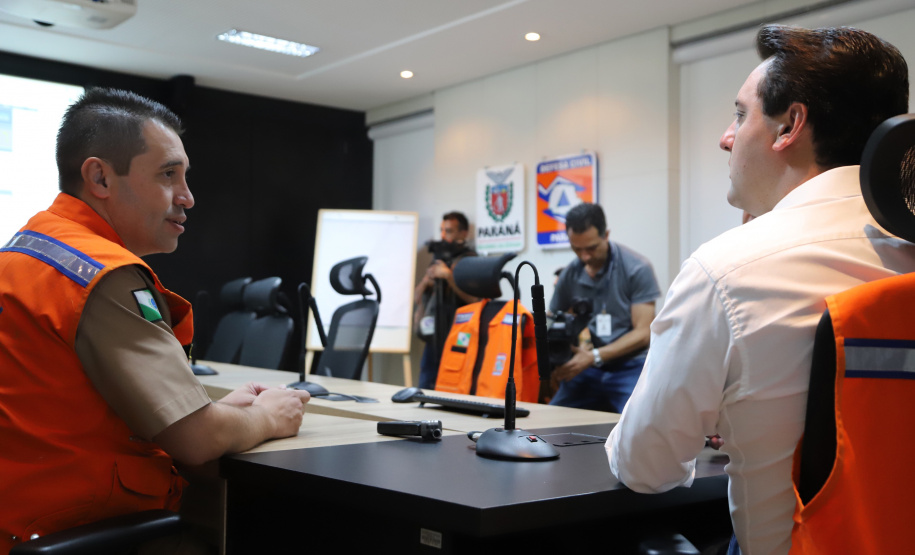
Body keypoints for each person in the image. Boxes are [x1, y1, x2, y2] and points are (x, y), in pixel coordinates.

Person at [606, 25, 915, 555]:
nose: (727, 137)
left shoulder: (728, 271)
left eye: (740, 114)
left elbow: (645, 466)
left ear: (789, 125)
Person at [0, 88, 311, 552]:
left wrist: (219, 410)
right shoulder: (101, 274)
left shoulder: (23, 253)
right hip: (74, 527)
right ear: (100, 177)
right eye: (168, 175)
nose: (187, 197)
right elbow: (197, 439)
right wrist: (267, 417)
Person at [549, 202, 660, 412]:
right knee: (551, 417)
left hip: (631, 366)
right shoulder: (570, 274)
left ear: (606, 235)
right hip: (591, 368)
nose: (584, 257)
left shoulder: (637, 268)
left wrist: (593, 356)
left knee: (636, 424)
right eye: (576, 249)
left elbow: (644, 333)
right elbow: (552, 318)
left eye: (591, 248)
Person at [414, 211, 479, 389]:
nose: (443, 235)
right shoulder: (437, 258)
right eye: (442, 230)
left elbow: (475, 300)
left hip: (459, 336)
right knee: (426, 386)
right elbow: (417, 297)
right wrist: (426, 282)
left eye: (449, 231)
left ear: (463, 233)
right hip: (433, 337)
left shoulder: (470, 259)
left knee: (454, 388)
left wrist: (449, 277)